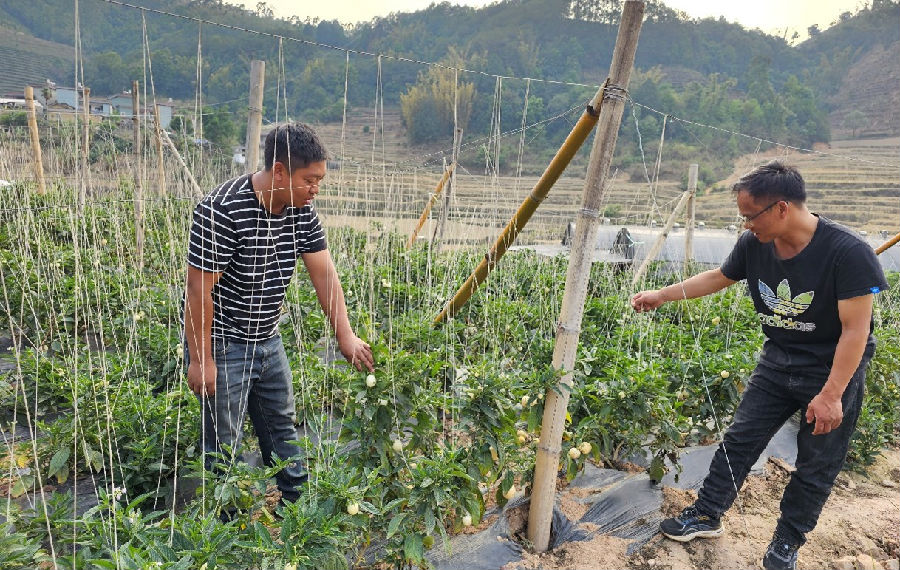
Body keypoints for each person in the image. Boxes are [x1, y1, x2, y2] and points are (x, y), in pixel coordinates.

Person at [631, 161, 888, 570]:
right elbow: (719, 276)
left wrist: (832, 394)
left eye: (750, 216)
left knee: (817, 462)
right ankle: (707, 512)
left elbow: (855, 332)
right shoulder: (756, 244)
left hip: (831, 368)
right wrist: (663, 294)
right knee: (741, 439)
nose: (745, 225)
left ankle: (786, 542)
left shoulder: (848, 252)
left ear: (781, 208)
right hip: (778, 359)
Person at [183, 122, 374, 508]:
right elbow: (198, 291)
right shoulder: (221, 209)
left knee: (281, 429)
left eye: (320, 179)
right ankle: (228, 534)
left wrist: (346, 335)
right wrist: (201, 359)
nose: (316, 188)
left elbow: (324, 273)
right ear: (281, 171)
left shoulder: (300, 210)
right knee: (223, 444)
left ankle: (298, 516)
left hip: (268, 339)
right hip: (223, 342)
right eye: (310, 179)